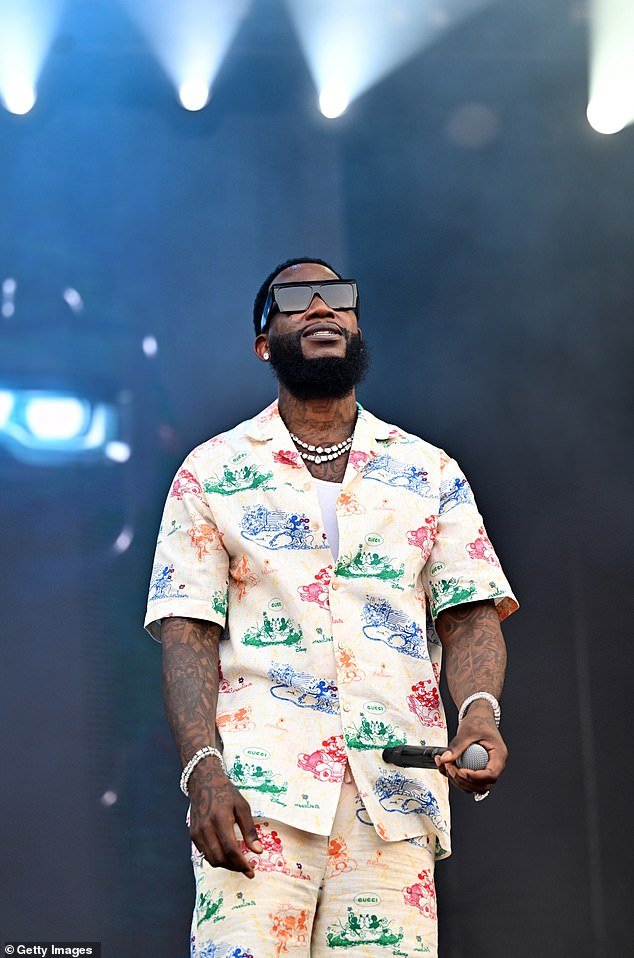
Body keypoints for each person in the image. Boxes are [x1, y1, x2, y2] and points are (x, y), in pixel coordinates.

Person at [144, 257, 519, 958]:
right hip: (257, 800)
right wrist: (204, 773)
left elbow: (469, 613)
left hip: (395, 802)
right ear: (265, 343)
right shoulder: (212, 471)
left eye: (337, 295)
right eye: (295, 298)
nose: (321, 306)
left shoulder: (430, 470)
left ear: (357, 327)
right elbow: (186, 632)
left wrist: (479, 714)